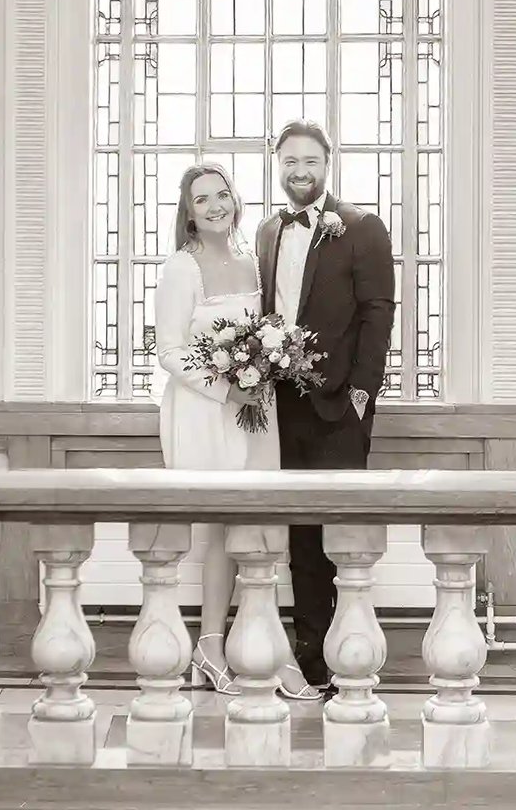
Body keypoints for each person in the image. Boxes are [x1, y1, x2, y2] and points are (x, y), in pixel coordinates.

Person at [155, 161, 317, 700]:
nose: (215, 206)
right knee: (224, 528)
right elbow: (171, 351)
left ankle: (264, 649)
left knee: (257, 530)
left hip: (256, 411)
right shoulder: (182, 267)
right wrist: (227, 388)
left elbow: (266, 331)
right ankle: (211, 642)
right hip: (205, 409)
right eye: (202, 200)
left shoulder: (252, 260)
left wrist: (266, 366)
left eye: (221, 195)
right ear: (189, 212)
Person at [255, 121, 396, 690]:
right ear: (278, 164)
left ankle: (353, 651)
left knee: (343, 539)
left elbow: (378, 312)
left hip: (341, 407)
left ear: (327, 164)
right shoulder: (267, 232)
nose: (299, 171)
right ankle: (313, 664)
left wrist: (362, 395)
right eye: (289, 161)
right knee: (299, 538)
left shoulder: (361, 227)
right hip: (278, 407)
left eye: (309, 161)